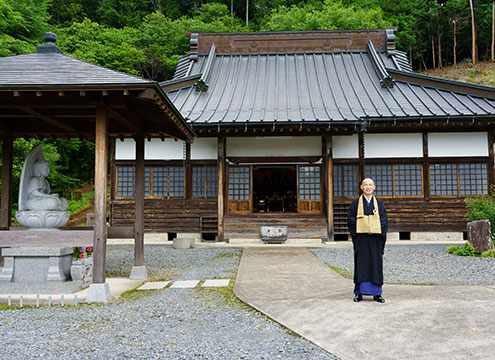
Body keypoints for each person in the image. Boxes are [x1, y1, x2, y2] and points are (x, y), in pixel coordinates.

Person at [347, 178, 388, 303]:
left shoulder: (379, 203)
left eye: (370, 185)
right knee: (361, 264)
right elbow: (350, 219)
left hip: (375, 239)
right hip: (361, 239)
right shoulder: (355, 203)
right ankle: (359, 293)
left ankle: (377, 293)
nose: (368, 187)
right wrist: (364, 227)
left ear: (374, 187)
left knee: (375, 264)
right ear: (361, 187)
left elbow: (384, 220)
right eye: (365, 185)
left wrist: (374, 229)